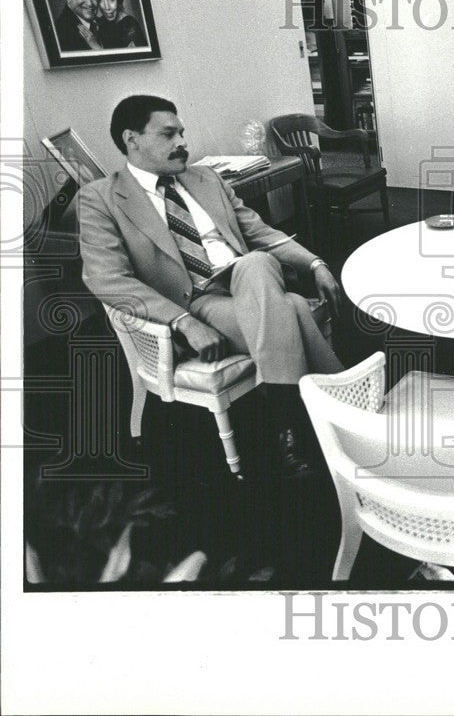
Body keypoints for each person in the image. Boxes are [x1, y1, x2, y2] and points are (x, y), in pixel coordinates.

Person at [79, 95, 344, 477]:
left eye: (182, 133)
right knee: (294, 307)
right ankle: (338, 407)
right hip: (197, 301)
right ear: (131, 138)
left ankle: (289, 426)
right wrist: (184, 323)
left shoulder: (206, 178)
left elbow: (260, 232)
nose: (181, 142)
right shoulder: (101, 198)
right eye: (168, 134)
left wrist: (315, 262)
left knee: (255, 261)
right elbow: (106, 278)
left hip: (249, 282)